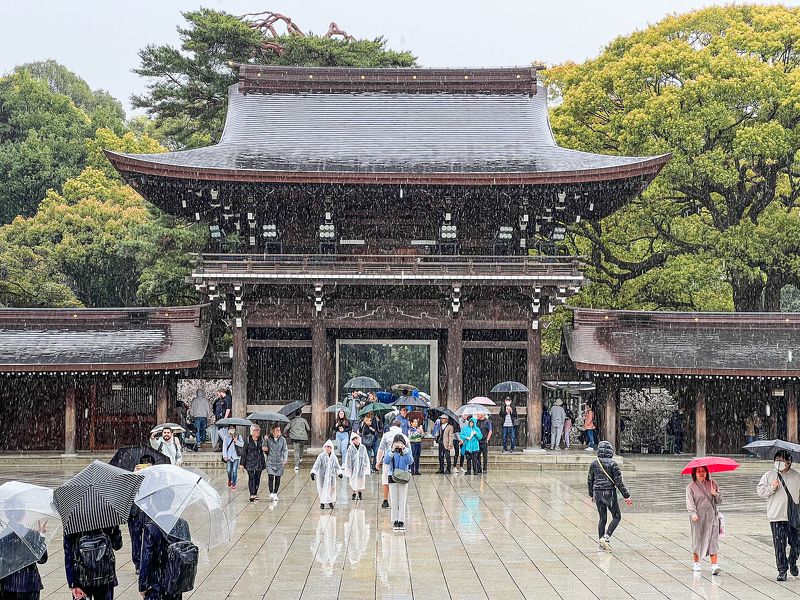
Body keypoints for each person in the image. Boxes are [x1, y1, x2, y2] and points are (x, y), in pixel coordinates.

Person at [138, 488, 193, 600]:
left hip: (156, 584)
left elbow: (146, 558)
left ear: (154, 504)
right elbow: (186, 553)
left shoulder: (151, 528)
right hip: (175, 582)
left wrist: (143, 585)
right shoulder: (182, 524)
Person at [757, 449, 800, 581]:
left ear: (789, 462)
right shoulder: (769, 475)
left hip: (794, 516)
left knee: (797, 543)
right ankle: (782, 570)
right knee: (779, 545)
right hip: (776, 516)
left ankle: (792, 561)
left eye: (782, 460)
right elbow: (760, 491)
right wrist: (771, 487)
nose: (779, 463)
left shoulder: (797, 476)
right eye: (777, 460)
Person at [588, 440, 632, 551]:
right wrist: (626, 495)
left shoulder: (594, 463)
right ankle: (606, 537)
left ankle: (601, 543)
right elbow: (619, 482)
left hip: (597, 493)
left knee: (602, 518)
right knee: (617, 516)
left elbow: (590, 480)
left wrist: (591, 494)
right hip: (609, 493)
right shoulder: (613, 464)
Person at [64, 526, 123, 600]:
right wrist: (115, 528)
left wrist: (72, 583)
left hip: (82, 576)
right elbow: (117, 545)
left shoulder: (72, 521)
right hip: (104, 573)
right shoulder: (107, 518)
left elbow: (69, 554)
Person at [0, 517, 48, 600]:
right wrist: (41, 535)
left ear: (7, 515)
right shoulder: (31, 534)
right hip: (29, 584)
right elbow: (42, 559)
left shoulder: (2, 537)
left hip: (7, 585)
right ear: (23, 514)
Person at [686, 465, 722, 575]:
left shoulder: (713, 484)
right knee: (697, 539)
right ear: (694, 473)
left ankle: (714, 565)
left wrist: (715, 494)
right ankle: (696, 562)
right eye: (699, 471)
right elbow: (689, 502)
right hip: (698, 519)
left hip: (712, 518)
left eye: (703, 471)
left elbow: (720, 500)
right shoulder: (690, 487)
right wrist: (693, 513)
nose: (701, 473)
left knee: (713, 540)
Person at [128, 455, 155, 575]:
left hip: (150, 512)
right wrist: (134, 476)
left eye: (148, 464)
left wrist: (154, 476)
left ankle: (149, 562)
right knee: (136, 539)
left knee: (150, 539)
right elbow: (126, 493)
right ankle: (138, 563)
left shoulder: (157, 478)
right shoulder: (133, 478)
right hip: (135, 513)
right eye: (144, 463)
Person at [376, 420, 409, 509]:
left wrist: (378, 461)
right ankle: (398, 500)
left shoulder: (386, 435)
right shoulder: (405, 437)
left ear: (392, 426)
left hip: (388, 460)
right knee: (400, 480)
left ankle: (386, 500)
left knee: (386, 480)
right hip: (402, 462)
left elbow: (381, 449)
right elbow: (408, 451)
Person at [384, 434, 413, 531]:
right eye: (397, 443)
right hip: (392, 476)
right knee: (394, 499)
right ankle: (395, 520)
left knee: (402, 499)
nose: (398, 444)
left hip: (403, 477)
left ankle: (401, 520)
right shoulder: (391, 450)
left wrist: (404, 450)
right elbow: (386, 461)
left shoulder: (407, 451)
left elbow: (410, 461)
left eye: (400, 442)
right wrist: (392, 450)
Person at [312, 440, 343, 509]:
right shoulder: (321, 456)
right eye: (326, 447)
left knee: (332, 488)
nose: (328, 448)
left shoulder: (334, 457)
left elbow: (337, 466)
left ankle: (330, 500)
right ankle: (322, 502)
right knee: (322, 489)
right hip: (322, 476)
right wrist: (313, 472)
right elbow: (317, 465)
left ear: (331, 448)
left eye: (329, 447)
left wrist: (339, 473)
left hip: (331, 476)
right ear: (324, 447)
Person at [241, 424, 267, 502]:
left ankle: (255, 493)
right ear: (252, 432)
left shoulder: (261, 439)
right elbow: (243, 452)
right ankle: (251, 494)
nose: (258, 432)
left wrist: (265, 444)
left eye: (258, 430)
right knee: (251, 477)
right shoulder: (247, 440)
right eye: (256, 430)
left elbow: (265, 449)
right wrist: (242, 464)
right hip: (250, 462)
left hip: (259, 462)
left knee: (257, 478)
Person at [344, 431, 370, 500]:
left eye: (356, 438)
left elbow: (365, 457)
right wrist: (349, 466)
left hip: (361, 466)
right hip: (353, 466)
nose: (355, 440)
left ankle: (360, 492)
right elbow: (348, 458)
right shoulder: (350, 448)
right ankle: (354, 492)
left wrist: (365, 465)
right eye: (353, 439)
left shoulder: (362, 447)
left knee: (360, 479)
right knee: (353, 479)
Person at [265, 423, 288, 501]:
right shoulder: (268, 439)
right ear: (273, 431)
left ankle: (275, 493)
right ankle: (271, 492)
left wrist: (285, 459)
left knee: (278, 478)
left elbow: (285, 450)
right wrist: (265, 440)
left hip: (279, 461)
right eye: (277, 430)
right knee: (271, 477)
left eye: (279, 430)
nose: (278, 432)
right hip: (270, 461)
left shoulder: (282, 439)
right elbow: (264, 448)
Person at [220, 425, 244, 490]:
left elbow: (242, 445)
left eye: (233, 428)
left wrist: (236, 441)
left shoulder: (239, 436)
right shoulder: (226, 437)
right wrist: (225, 456)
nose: (232, 430)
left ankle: (234, 483)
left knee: (234, 470)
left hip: (236, 456)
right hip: (228, 456)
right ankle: (230, 479)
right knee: (228, 470)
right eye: (230, 428)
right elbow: (224, 447)